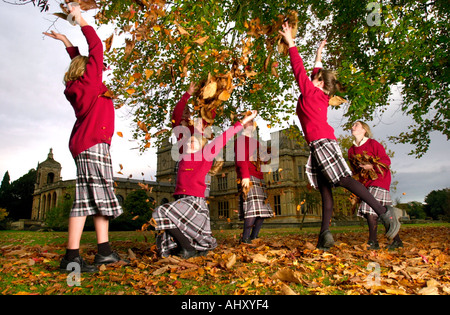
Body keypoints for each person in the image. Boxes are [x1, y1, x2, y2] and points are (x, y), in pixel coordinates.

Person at [279, 22, 400, 250]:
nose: (311, 79)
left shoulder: (312, 93)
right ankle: (325, 235)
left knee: (343, 179)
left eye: (316, 78)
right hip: (317, 146)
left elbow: (299, 71)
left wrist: (291, 43)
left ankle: (385, 214)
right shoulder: (319, 94)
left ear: (320, 84)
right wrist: (319, 54)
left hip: (323, 142)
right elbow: (315, 73)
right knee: (325, 191)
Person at [44, 3, 125, 272]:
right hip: (92, 144)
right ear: (87, 69)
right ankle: (74, 256)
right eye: (96, 67)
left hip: (85, 143)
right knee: (91, 200)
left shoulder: (78, 86)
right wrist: (79, 20)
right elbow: (96, 49)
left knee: (91, 199)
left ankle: (100, 253)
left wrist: (67, 41)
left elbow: (81, 59)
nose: (101, 68)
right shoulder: (91, 83)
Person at [153, 111, 258, 258]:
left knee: (160, 212)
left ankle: (188, 248)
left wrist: (244, 120)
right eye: (188, 141)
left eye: (193, 142)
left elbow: (224, 137)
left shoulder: (205, 155)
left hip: (194, 201)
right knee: (166, 229)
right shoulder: (183, 157)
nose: (189, 143)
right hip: (180, 200)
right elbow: (178, 119)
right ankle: (188, 246)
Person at [348, 121, 403, 250]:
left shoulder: (373, 144)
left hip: (379, 178)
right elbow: (355, 171)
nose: (352, 127)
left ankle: (373, 241)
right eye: (352, 126)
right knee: (380, 211)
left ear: (364, 130)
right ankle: (397, 241)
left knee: (369, 208)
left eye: (356, 125)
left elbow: (386, 161)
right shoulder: (351, 150)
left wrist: (371, 166)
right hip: (366, 182)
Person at [235, 113, 273, 243]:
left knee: (262, 211)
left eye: (253, 122)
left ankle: (254, 236)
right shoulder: (240, 140)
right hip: (247, 177)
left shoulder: (257, 142)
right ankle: (245, 238)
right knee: (251, 210)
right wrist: (245, 176)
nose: (251, 124)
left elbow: (265, 160)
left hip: (259, 178)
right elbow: (241, 160)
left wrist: (270, 153)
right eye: (248, 122)